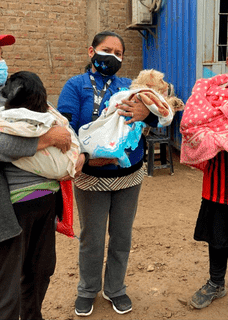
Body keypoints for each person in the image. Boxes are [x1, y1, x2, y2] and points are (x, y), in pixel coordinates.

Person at [0, 22, 83, 320]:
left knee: (39, 275)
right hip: (2, 210)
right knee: (6, 293)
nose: (1, 62)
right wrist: (46, 140)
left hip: (44, 202)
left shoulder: (13, 92)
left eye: (0, 55)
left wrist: (77, 152)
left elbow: (58, 121)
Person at [57, 31, 157, 316]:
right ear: (91, 52)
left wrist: (145, 115)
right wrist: (87, 157)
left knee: (122, 236)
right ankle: (88, 290)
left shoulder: (130, 86)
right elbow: (67, 127)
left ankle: (115, 289)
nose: (112, 56)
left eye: (119, 53)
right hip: (90, 176)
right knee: (92, 238)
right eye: (106, 49)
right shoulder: (75, 86)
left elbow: (160, 116)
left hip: (128, 174)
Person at [180, 74, 228, 309]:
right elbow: (192, 123)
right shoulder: (210, 92)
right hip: (219, 185)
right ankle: (216, 283)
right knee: (217, 238)